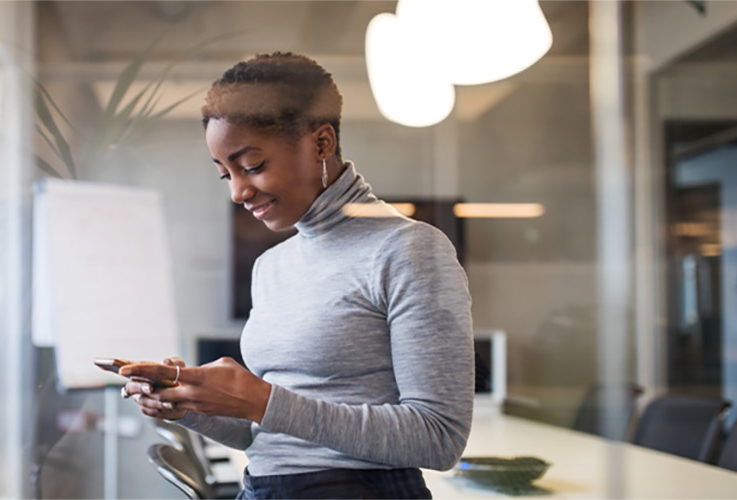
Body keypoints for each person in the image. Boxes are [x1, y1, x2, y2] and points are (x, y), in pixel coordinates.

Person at [119, 52, 473, 499]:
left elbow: (438, 438)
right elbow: (266, 437)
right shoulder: (272, 266)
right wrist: (188, 406)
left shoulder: (409, 250)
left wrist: (261, 401)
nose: (237, 191)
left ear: (322, 143)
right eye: (224, 174)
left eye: (251, 166)